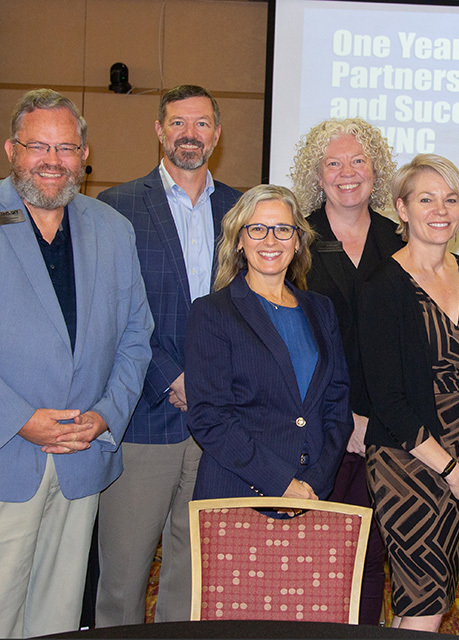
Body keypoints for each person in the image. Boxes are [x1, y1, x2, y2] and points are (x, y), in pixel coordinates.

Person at [0, 89, 153, 638]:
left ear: (85, 155)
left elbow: (137, 335)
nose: (52, 159)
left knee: (60, 614)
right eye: (38, 145)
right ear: (11, 150)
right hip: (8, 452)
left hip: (82, 454)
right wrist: (22, 418)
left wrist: (106, 414)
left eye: (66, 147)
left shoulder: (112, 228)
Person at [94, 84, 241, 627]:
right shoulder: (117, 208)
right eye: (178, 123)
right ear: (159, 130)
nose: (189, 134)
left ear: (217, 135)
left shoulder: (240, 209)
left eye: (201, 124)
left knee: (194, 574)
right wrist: (171, 377)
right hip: (143, 418)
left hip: (218, 424)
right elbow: (114, 312)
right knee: (124, 577)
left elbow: (248, 312)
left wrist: (210, 382)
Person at [359, 154, 459, 632]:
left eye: (451, 198)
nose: (441, 209)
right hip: (408, 462)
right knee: (425, 602)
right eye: (426, 198)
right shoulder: (382, 287)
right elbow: (388, 399)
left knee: (428, 600)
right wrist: (450, 470)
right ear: (401, 208)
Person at [290, 118, 400, 624]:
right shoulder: (294, 239)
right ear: (318, 175)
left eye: (358, 161)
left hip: (391, 427)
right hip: (317, 426)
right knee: (316, 554)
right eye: (333, 163)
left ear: (377, 171)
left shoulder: (401, 237)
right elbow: (289, 343)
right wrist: (344, 418)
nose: (347, 172)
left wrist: (374, 418)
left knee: (372, 555)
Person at [185, 185, 352, 505]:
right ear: (238, 240)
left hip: (311, 496)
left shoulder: (321, 309)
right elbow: (210, 418)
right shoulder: (212, 313)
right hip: (238, 494)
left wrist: (314, 482)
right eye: (258, 229)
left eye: (283, 229)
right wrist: (281, 484)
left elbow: (338, 405)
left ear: (298, 240)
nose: (271, 240)